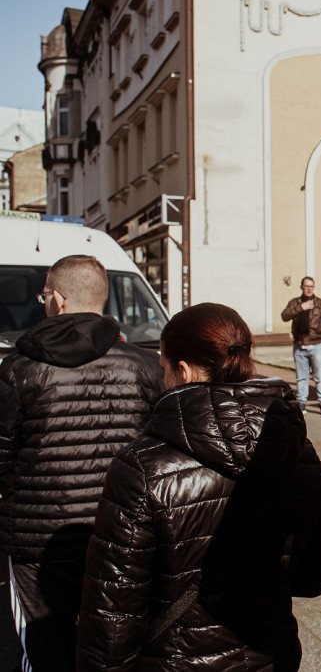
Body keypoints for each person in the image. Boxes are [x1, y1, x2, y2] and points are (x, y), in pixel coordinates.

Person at [76, 302, 321, 671]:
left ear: (182, 371)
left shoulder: (141, 467)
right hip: (272, 654)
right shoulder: (299, 452)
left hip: (175, 662)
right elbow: (313, 579)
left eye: (163, 367)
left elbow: (113, 618)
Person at [0, 254, 164, 671]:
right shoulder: (146, 368)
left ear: (57, 300)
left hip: (40, 544)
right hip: (121, 536)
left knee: (44, 652)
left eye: (44, 296)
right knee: (113, 650)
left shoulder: (19, 370)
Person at [281, 276, 321, 415]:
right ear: (301, 287)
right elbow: (284, 316)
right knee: (301, 377)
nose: (309, 289)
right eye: (306, 286)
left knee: (320, 376)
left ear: (314, 287)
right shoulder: (295, 303)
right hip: (300, 345)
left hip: (317, 344)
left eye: (311, 286)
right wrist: (300, 308)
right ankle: (302, 404)